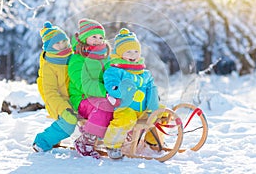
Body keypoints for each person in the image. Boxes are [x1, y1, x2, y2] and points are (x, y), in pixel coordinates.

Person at [102, 28, 161, 159]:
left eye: (136, 51)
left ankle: (152, 140)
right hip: (125, 107)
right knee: (125, 118)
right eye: (128, 51)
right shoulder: (115, 70)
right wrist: (119, 89)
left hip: (144, 107)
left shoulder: (144, 73)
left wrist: (154, 105)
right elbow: (111, 86)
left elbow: (152, 88)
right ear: (120, 53)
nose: (133, 55)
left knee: (161, 112)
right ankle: (112, 145)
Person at [68, 18, 116, 159]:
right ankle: (85, 141)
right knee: (105, 107)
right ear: (84, 38)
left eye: (101, 37)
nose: (98, 40)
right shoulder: (77, 59)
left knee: (121, 107)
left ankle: (119, 139)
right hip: (82, 99)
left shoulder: (105, 57)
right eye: (94, 36)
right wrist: (106, 92)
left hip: (101, 96)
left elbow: (111, 75)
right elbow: (83, 84)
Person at [32, 21, 77, 152]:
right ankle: (42, 141)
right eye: (57, 43)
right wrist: (63, 109)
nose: (62, 45)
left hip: (75, 97)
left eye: (64, 41)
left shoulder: (72, 57)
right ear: (49, 46)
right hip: (58, 102)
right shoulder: (49, 66)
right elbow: (50, 93)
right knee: (69, 121)